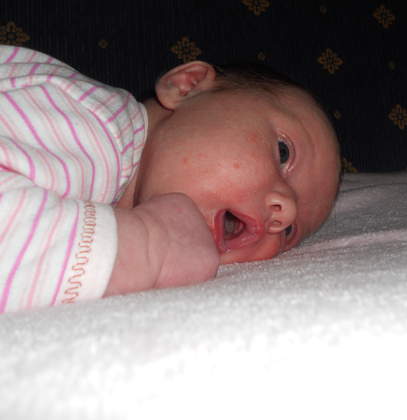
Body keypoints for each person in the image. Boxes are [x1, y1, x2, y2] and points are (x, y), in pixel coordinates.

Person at [0, 46, 341, 313]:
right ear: (187, 86)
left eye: (290, 233)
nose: (286, 211)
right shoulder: (89, 126)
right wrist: (145, 247)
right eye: (283, 152)